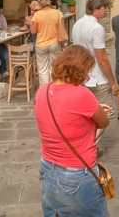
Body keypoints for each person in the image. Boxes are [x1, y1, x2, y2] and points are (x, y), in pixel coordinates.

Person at [34, 45, 110, 217]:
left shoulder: (42, 90)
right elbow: (103, 121)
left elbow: (63, 115)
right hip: (76, 174)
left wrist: (92, 108)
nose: (88, 75)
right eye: (88, 70)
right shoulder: (82, 94)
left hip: (47, 169)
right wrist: (96, 109)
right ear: (80, 70)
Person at [72, 0, 119, 144]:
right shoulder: (97, 28)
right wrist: (113, 82)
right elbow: (102, 58)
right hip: (97, 78)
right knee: (107, 114)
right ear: (96, 8)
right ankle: (88, 145)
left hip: (81, 76)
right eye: (104, 8)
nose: (106, 11)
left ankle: (85, 142)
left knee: (87, 114)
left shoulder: (77, 24)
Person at [31, 0, 62, 85]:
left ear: (40, 4)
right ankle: (54, 88)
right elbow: (62, 29)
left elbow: (33, 31)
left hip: (41, 44)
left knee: (42, 69)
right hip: (55, 43)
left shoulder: (37, 14)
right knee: (54, 67)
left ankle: (45, 90)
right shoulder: (58, 13)